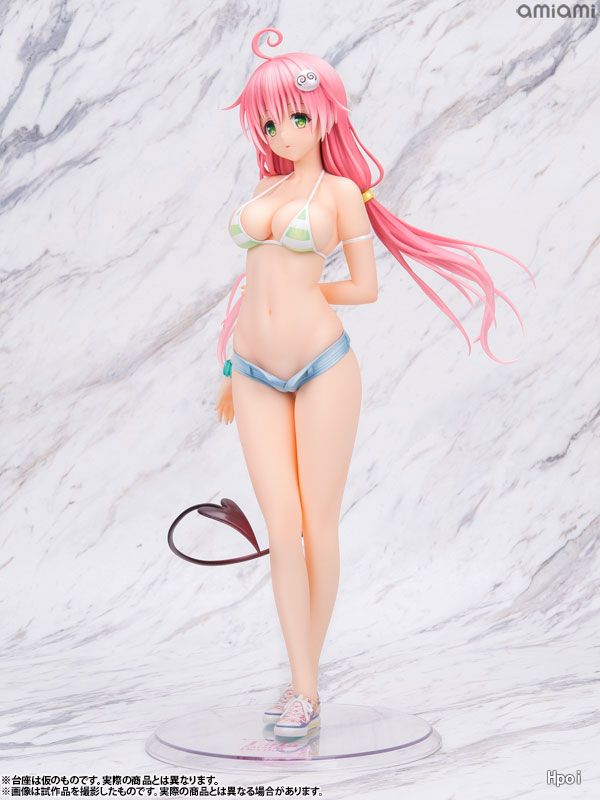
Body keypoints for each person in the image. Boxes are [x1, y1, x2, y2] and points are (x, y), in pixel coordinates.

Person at [214, 28, 533, 739]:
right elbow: (250, 282)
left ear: (325, 113)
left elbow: (364, 286)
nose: (282, 132)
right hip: (254, 369)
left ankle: (305, 689)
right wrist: (230, 367)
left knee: (317, 526)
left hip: (323, 366)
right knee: (282, 529)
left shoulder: (339, 194)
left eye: (295, 117)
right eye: (268, 122)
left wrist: (309, 297)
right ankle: (300, 679)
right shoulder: (265, 187)